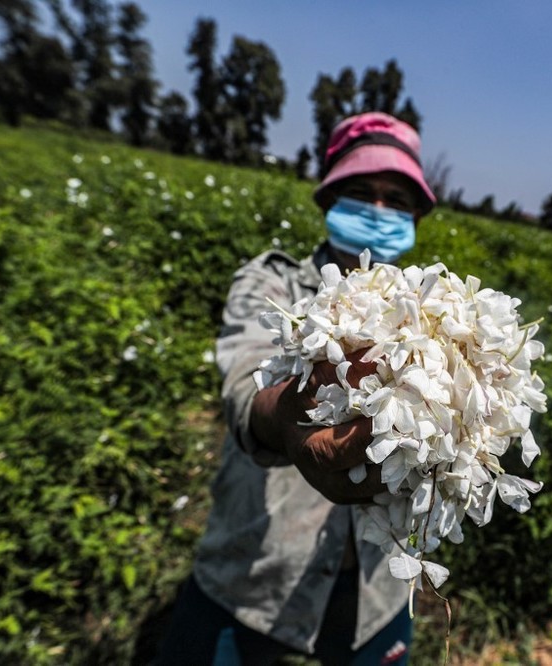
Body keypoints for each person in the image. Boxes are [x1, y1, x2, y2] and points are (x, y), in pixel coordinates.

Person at [156, 112, 437, 666]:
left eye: (395, 199)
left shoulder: (431, 310)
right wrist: (285, 415)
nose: (378, 210)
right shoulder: (275, 284)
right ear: (328, 197)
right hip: (255, 580)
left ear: (415, 216)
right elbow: (244, 384)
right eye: (361, 192)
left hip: (373, 597)